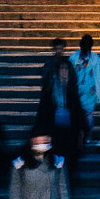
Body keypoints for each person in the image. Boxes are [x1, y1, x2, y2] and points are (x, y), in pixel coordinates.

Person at [34, 37, 85, 181]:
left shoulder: (71, 92)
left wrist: (81, 131)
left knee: (68, 159)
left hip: (68, 131)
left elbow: (78, 112)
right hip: (54, 130)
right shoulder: (50, 91)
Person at [70, 33, 100, 136]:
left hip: (91, 91)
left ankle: (87, 134)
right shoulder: (74, 58)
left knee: (89, 115)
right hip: (77, 90)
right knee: (77, 114)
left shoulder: (95, 59)